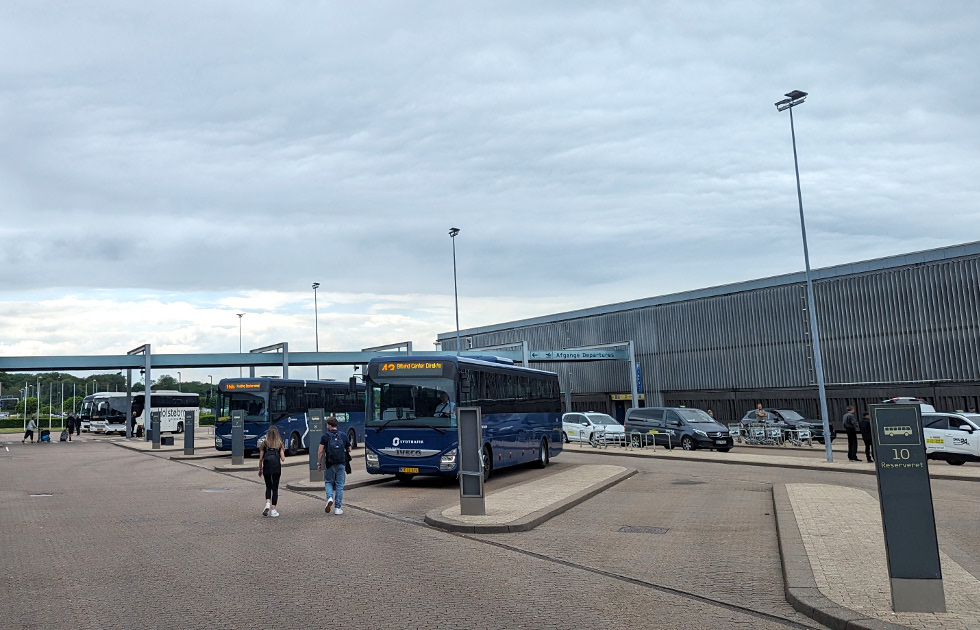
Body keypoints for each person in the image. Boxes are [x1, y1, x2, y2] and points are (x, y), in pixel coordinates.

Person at [318, 414, 351, 515]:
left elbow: (320, 451)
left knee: (328, 482)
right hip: (341, 463)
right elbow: (349, 449)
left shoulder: (325, 436)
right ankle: (338, 508)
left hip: (330, 463)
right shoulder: (343, 435)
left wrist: (319, 463)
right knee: (340, 485)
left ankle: (329, 498)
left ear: (329, 425)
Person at [258, 425, 285, 517]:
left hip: (267, 468)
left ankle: (267, 503)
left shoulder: (264, 444)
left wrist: (260, 469)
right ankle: (273, 510)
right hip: (276, 468)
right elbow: (283, 458)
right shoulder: (279, 444)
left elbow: (261, 459)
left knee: (268, 486)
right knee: (275, 488)